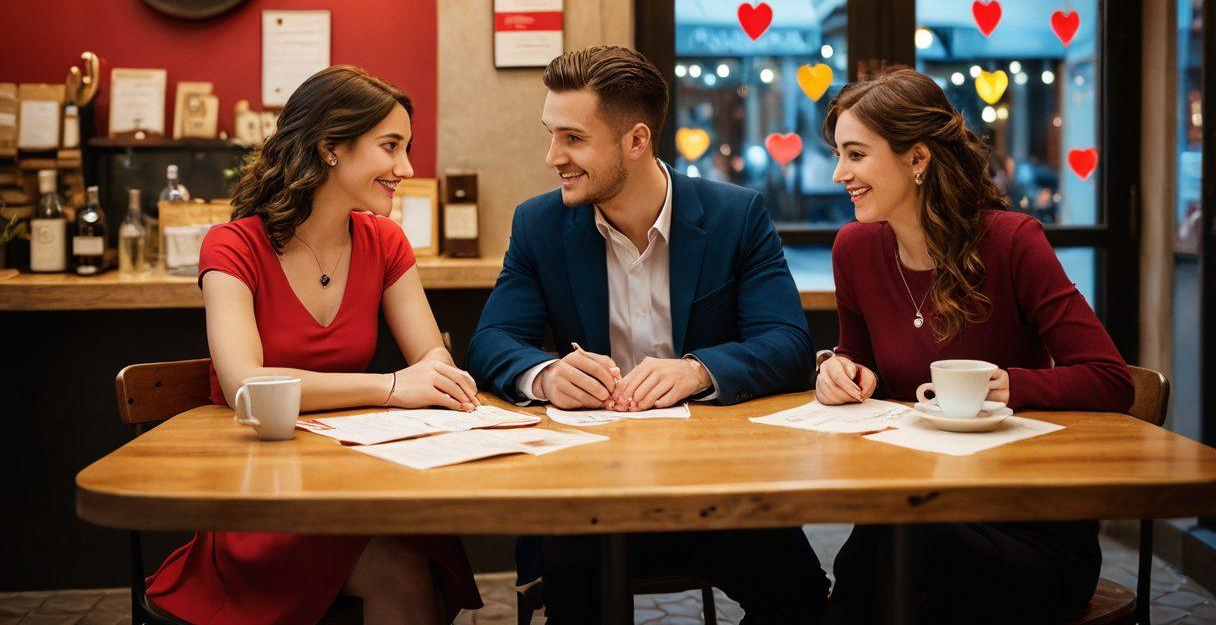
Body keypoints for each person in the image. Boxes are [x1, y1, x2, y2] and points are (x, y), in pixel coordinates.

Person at [467, 46, 829, 624]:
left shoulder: (738, 217)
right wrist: (548, 374)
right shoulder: (538, 224)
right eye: (551, 135)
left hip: (716, 494)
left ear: (636, 141)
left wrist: (698, 370)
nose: (552, 157)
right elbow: (491, 341)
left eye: (573, 139)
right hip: (586, 493)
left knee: (805, 600)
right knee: (577, 592)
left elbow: (787, 343)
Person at [145, 66, 483, 625]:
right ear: (331, 148)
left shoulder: (386, 241)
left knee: (420, 542)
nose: (407, 169)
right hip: (262, 497)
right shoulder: (233, 245)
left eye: (407, 148)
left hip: (353, 480)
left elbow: (432, 356)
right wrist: (394, 387)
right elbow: (245, 387)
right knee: (402, 566)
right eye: (391, 147)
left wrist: (440, 376)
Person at [815, 67, 1135, 625]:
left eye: (856, 154)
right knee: (881, 555)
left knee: (885, 562)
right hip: (916, 505)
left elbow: (1111, 379)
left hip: (1025, 522)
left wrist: (1012, 386)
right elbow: (862, 363)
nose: (840, 173)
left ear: (917, 159)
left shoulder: (1013, 242)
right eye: (840, 155)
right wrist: (840, 373)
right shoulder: (855, 249)